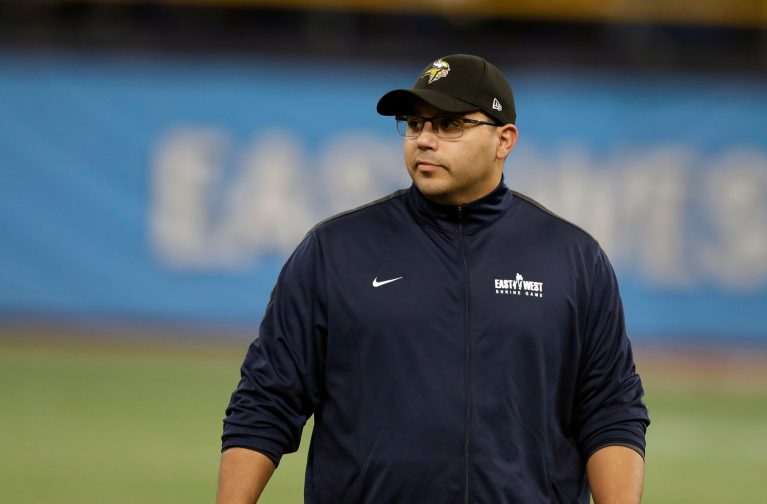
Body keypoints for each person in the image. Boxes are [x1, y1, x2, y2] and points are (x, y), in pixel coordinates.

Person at [217, 54, 650, 504]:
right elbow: (265, 401)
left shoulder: (572, 258)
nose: (424, 140)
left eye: (448, 125)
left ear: (504, 140)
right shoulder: (335, 251)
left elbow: (610, 410)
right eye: (415, 124)